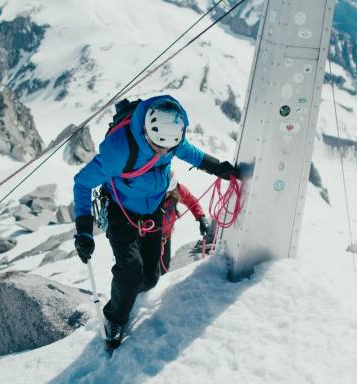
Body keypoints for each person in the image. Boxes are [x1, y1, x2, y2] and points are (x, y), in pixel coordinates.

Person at [72, 95, 237, 350]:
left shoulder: (171, 140)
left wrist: (219, 169)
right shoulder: (119, 150)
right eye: (158, 147)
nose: (163, 153)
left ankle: (126, 295)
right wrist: (83, 230)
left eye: (168, 149)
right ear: (147, 132)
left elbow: (191, 153)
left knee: (150, 277)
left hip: (153, 211)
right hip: (120, 210)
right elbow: (82, 182)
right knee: (130, 269)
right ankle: (114, 318)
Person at [158, 172, 210, 275]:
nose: (166, 195)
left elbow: (191, 201)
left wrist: (201, 218)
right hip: (148, 238)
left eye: (169, 192)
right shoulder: (149, 195)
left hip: (165, 238)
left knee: (164, 268)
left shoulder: (176, 190)